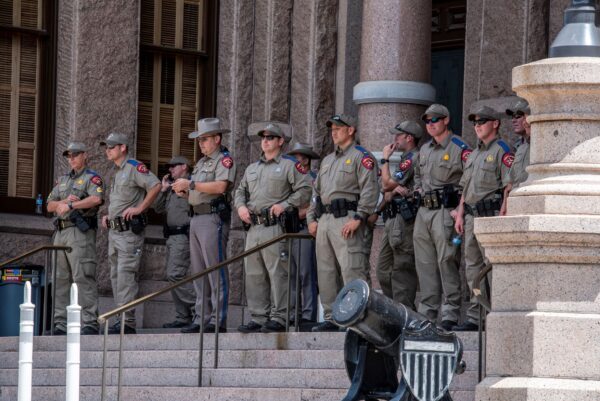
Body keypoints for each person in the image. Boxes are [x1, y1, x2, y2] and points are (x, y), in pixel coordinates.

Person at [234, 122, 312, 333]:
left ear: (280, 141)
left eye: (270, 137)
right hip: (254, 227)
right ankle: (258, 317)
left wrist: (285, 205)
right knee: (254, 273)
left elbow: (306, 189)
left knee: (279, 273)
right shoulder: (252, 168)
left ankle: (280, 316)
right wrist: (241, 207)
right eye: (263, 138)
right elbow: (240, 191)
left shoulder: (289, 165)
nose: (265, 141)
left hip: (275, 226)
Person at [307, 114, 379, 332]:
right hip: (325, 220)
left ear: (351, 130)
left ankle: (356, 318)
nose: (334, 131)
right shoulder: (328, 161)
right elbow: (315, 193)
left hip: (348, 218)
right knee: (326, 272)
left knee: (352, 269)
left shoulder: (361, 157)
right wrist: (311, 218)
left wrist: (359, 217)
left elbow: (370, 190)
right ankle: (332, 317)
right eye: (332, 128)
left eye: (339, 128)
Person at [171, 118, 236, 333]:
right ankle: (201, 317)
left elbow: (220, 186)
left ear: (217, 139)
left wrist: (190, 184)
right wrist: (185, 192)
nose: (201, 144)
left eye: (205, 139)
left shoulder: (224, 160)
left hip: (212, 218)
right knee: (198, 271)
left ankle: (218, 319)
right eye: (199, 140)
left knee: (214, 270)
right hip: (196, 218)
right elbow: (198, 191)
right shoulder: (201, 163)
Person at [453, 105, 514, 331]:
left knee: (491, 269)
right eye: (475, 123)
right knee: (472, 268)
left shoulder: (502, 150)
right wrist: (460, 213)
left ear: (495, 124)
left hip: (491, 215)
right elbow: (465, 188)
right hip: (471, 216)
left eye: (482, 122)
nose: (477, 126)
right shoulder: (474, 153)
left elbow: (508, 185)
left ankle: (495, 313)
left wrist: (504, 211)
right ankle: (475, 316)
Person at [413, 104, 471, 331]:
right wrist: (418, 190)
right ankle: (427, 312)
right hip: (424, 212)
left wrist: (460, 207)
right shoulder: (425, 149)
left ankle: (450, 312)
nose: (431, 124)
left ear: (446, 120)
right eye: (427, 121)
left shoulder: (459, 147)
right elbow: (417, 175)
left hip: (446, 212)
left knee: (447, 262)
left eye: (435, 120)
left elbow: (470, 178)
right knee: (425, 264)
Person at [100, 133, 161, 334]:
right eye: (106, 147)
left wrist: (140, 208)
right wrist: (109, 215)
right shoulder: (117, 172)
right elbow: (121, 201)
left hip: (128, 234)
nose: (107, 150)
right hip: (115, 232)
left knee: (125, 277)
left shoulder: (134, 167)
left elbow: (156, 185)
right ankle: (121, 318)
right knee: (116, 277)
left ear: (123, 148)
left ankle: (127, 322)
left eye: (111, 147)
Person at [46, 142, 103, 335]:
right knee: (60, 279)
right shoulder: (62, 180)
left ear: (85, 155)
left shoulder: (92, 178)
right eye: (69, 156)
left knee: (82, 276)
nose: (72, 159)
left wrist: (72, 206)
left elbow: (96, 199)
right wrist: (64, 202)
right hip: (60, 232)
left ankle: (89, 322)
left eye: (76, 155)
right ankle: (60, 323)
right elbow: (49, 205)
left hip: (79, 233)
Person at [376, 121, 422, 309]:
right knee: (383, 269)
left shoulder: (412, 158)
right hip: (391, 218)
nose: (395, 139)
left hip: (404, 220)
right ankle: (395, 309)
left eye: (399, 135)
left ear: (409, 138)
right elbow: (386, 192)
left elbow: (387, 185)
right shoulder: (405, 158)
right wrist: (392, 189)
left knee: (402, 269)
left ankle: (404, 310)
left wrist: (385, 159)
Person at [153, 156, 196, 329]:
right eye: (169, 167)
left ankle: (200, 306)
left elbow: (197, 203)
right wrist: (163, 190)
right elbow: (157, 208)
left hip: (183, 234)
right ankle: (183, 316)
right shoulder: (172, 187)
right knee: (174, 276)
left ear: (184, 167)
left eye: (173, 167)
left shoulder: (190, 184)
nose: (170, 170)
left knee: (175, 274)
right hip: (171, 236)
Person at [286, 142, 320, 328]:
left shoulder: (314, 178)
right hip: (286, 230)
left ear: (305, 159)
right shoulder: (289, 177)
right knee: (289, 274)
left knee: (306, 273)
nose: (293, 161)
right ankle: (293, 313)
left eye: (297, 157)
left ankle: (308, 314)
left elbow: (315, 203)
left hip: (304, 228)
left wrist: (298, 213)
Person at [500, 97, 531, 216]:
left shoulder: (539, 144)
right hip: (515, 203)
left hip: (529, 202)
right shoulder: (520, 147)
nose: (513, 120)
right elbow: (509, 184)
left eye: (518, 116)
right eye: (512, 116)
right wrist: (505, 205)